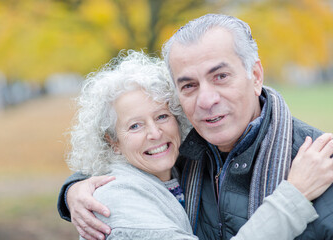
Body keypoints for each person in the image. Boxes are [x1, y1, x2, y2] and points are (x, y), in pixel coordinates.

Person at [58, 14, 333, 240]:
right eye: (189, 85)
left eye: (221, 76)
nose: (206, 100)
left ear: (255, 75)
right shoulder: (178, 153)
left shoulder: (318, 165)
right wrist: (74, 190)